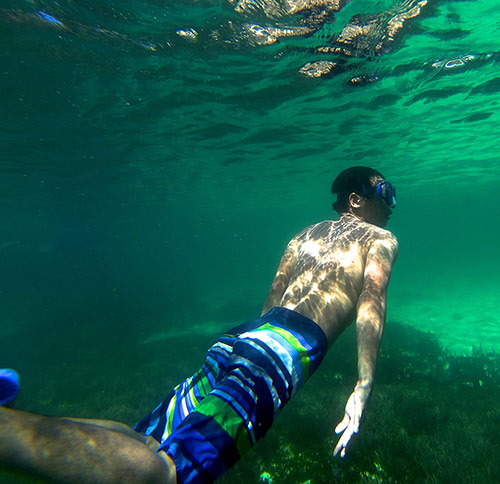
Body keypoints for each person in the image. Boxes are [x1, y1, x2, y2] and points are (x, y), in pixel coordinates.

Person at [0, 166, 398, 484]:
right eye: (385, 191)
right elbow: (371, 303)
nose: (392, 201)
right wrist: (362, 387)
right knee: (161, 474)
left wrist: (255, 348)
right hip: (280, 354)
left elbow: (272, 300)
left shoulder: (305, 234)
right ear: (355, 199)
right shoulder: (380, 238)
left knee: (146, 440)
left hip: (244, 339)